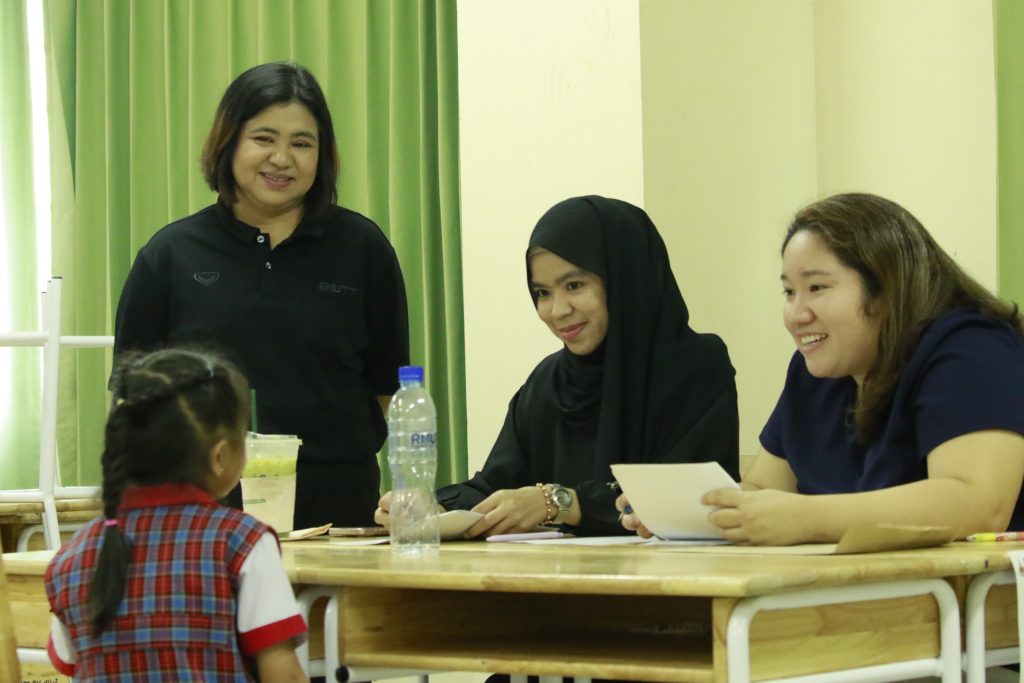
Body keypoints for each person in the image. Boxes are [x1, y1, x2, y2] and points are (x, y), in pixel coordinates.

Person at [620, 192, 1024, 544]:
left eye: (816, 288)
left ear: (887, 287)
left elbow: (977, 502)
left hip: (974, 602)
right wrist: (688, 514)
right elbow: (762, 489)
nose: (796, 315)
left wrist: (807, 518)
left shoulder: (972, 348)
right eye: (788, 292)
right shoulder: (815, 372)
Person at [113, 62, 410, 528]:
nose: (282, 158)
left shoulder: (362, 248)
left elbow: (388, 390)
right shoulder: (170, 255)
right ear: (228, 142)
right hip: (205, 510)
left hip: (341, 508)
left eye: (302, 143)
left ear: (322, 155)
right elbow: (134, 403)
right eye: (264, 138)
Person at [377, 195, 739, 537]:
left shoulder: (695, 366)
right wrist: (434, 506)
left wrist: (561, 502)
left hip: (672, 579)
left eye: (574, 285)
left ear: (625, 279)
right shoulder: (549, 382)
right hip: (558, 578)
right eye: (543, 293)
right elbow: (495, 486)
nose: (557, 311)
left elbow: (690, 500)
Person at [45, 348, 308, 682]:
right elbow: (283, 677)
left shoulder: (71, 557)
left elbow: (70, 665)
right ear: (220, 456)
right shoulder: (243, 542)